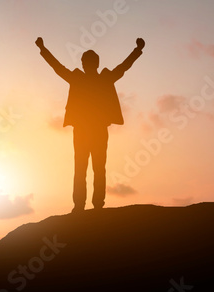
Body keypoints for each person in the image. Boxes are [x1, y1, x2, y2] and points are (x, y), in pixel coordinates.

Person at [36, 37, 145, 213]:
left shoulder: (85, 78)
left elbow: (57, 67)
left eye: (86, 62)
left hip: (89, 130)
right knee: (92, 168)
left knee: (88, 168)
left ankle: (87, 205)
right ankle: (89, 204)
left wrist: (43, 48)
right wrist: (43, 48)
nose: (85, 64)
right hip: (91, 130)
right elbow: (124, 66)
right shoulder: (96, 78)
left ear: (88, 63)